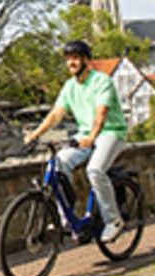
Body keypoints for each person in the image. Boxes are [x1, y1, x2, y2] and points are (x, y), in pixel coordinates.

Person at [22, 39, 129, 243]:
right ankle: (67, 220)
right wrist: (35, 135)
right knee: (59, 164)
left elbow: (101, 112)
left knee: (95, 170)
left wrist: (92, 137)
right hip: (85, 134)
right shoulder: (70, 87)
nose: (71, 62)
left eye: (76, 58)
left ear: (86, 61)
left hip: (110, 133)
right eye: (68, 59)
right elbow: (56, 114)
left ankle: (113, 220)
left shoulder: (101, 81)